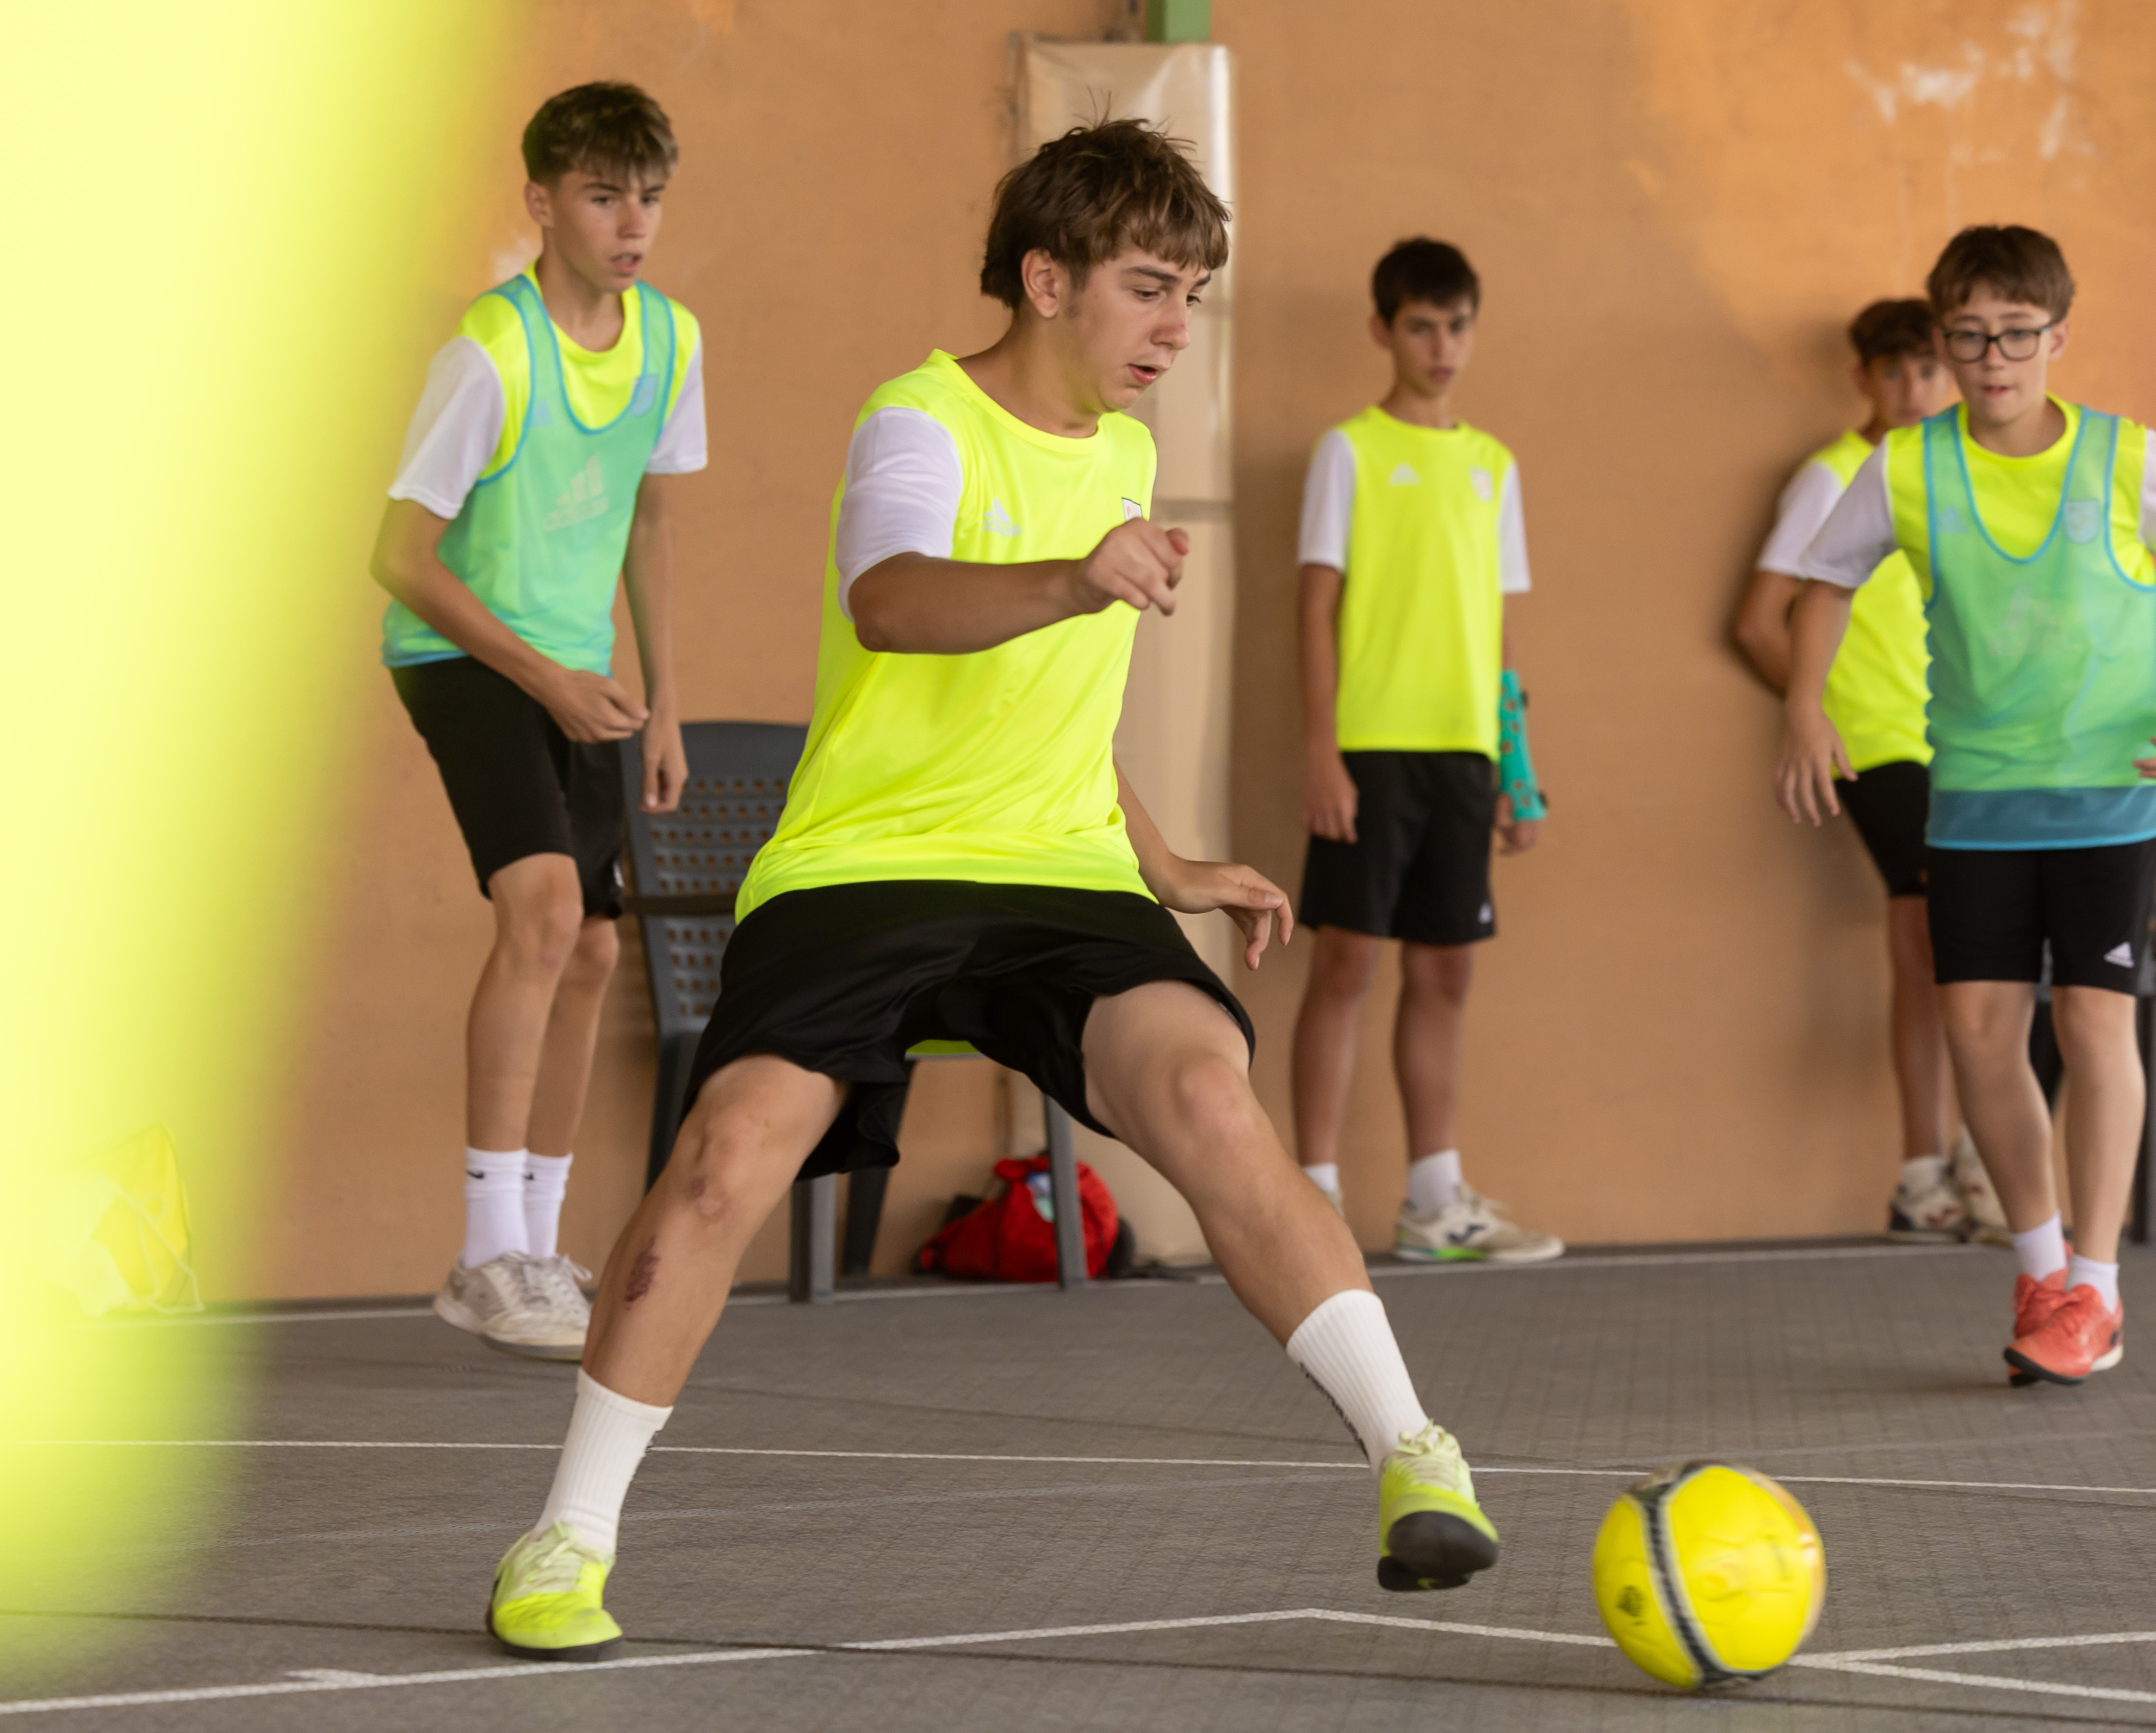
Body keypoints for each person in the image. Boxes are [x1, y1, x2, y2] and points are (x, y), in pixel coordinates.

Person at [481, 121, 1502, 1662]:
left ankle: (1413, 1451)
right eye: (1148, 288)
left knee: (1208, 1096)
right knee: (727, 1155)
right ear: (1046, 279)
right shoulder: (919, 419)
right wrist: (1075, 575)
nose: (1175, 328)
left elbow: (1060, 711)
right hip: (865, 863)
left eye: (1192, 297)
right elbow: (892, 600)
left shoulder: (1128, 456)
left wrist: (1166, 862)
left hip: (1060, 868)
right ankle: (566, 1535)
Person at [1777, 225, 2156, 1387]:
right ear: (1945, 340)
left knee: (2090, 1022)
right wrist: (1803, 709)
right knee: (1981, 1034)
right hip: (1975, 795)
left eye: (2017, 335)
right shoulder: (1905, 467)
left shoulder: (2125, 456)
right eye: (1971, 336)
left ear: (2058, 336)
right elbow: (1821, 584)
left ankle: (2099, 1287)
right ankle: (2040, 1272)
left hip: (2111, 792)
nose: (1994, 359)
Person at [370, 83, 702, 1359]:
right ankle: (483, 1254)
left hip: (580, 672)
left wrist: (662, 703)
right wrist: (548, 680)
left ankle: (540, 1249)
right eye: (604, 196)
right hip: (462, 654)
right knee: (547, 912)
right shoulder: (490, 354)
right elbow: (401, 557)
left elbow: (652, 520)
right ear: (543, 203)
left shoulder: (669, 342)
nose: (633, 223)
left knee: (596, 951)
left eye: (649, 197)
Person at [1287, 238, 1562, 1265]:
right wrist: (1321, 752)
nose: (1441, 346)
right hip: (1368, 751)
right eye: (1420, 326)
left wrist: (1515, 771)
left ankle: (1433, 1202)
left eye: (1456, 326)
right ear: (1383, 330)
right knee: (1345, 964)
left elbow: (1497, 630)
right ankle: (1311, 1201)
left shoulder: (1493, 466)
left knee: (1445, 974)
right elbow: (1314, 611)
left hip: (1464, 756)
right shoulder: (1347, 451)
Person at [1733, 297, 2008, 1246]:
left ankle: (1925, 1174)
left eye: (1927, 369)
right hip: (1878, 748)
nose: (1913, 387)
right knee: (1963, 943)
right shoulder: (1831, 476)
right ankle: (1975, 1157)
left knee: (1922, 951)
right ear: (1862, 378)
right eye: (1893, 371)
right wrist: (1817, 720)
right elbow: (1757, 621)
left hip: (1957, 745)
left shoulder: (1951, 472)